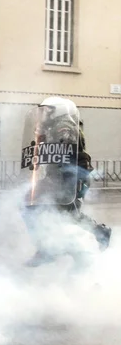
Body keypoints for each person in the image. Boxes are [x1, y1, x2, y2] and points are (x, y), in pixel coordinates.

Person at [22, 97, 111, 267]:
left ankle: (65, 251)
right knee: (34, 206)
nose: (44, 114)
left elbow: (64, 146)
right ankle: (51, 247)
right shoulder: (53, 127)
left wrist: (44, 140)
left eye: (47, 110)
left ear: (58, 110)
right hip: (57, 177)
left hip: (70, 177)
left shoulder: (65, 126)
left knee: (65, 214)